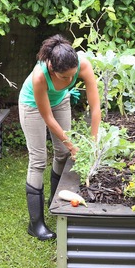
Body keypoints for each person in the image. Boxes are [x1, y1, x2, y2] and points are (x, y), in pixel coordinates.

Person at [18, 35, 101, 240]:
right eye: (64, 78)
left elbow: (95, 106)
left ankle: (54, 201)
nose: (69, 81)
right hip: (32, 106)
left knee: (62, 153)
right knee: (38, 160)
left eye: (72, 77)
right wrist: (73, 145)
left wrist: (93, 142)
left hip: (60, 101)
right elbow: (47, 117)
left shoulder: (82, 65)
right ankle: (35, 224)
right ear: (52, 69)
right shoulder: (40, 75)